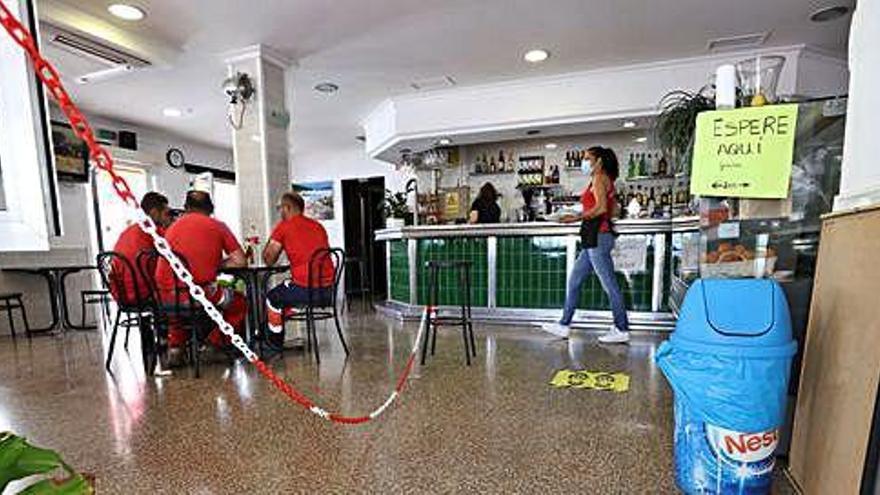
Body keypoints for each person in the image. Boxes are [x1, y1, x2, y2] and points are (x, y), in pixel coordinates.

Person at [542, 146, 630, 344]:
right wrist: (576, 212)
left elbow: (600, 208)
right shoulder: (604, 179)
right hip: (594, 238)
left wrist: (575, 217)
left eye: (587, 158)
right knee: (574, 281)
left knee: (610, 286)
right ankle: (564, 325)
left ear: (598, 161)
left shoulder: (600, 178)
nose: (584, 161)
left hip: (598, 237)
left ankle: (622, 328)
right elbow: (611, 209)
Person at [155, 190, 248, 364]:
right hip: (197, 294)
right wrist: (217, 264)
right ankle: (213, 345)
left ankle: (176, 348)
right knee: (238, 302)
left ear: (186, 207)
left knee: (177, 302)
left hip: (163, 298)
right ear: (211, 208)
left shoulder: (171, 228)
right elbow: (240, 261)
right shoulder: (218, 226)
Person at [261, 191, 334, 353]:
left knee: (272, 298)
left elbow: (268, 259)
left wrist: (273, 237)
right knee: (287, 292)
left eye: (280, 208)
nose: (279, 211)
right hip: (329, 291)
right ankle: (272, 326)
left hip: (306, 292)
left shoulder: (284, 226)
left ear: (287, 208)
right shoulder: (318, 226)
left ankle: (273, 343)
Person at [110, 192, 172, 303]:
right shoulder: (154, 232)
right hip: (146, 294)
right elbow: (176, 251)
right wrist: (170, 226)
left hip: (121, 295)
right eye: (166, 213)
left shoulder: (127, 231)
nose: (169, 217)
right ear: (154, 213)